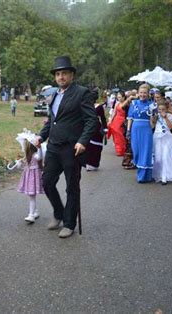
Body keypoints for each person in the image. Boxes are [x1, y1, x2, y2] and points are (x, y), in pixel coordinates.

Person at [35, 56, 97, 239]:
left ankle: (69, 223)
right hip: (53, 146)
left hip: (72, 148)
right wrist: (41, 136)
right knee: (46, 182)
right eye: (58, 74)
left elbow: (91, 120)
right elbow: (53, 120)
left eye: (64, 73)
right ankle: (59, 212)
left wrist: (83, 141)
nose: (61, 77)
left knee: (72, 187)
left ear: (72, 75)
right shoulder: (54, 95)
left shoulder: (82, 93)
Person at [12, 130, 44, 223]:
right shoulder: (27, 157)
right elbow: (22, 166)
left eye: (25, 145)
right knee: (31, 196)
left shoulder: (36, 155)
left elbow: (40, 157)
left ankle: (31, 215)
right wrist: (19, 163)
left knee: (31, 196)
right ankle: (35, 211)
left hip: (33, 178)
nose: (23, 147)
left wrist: (40, 148)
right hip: (29, 177)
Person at [126, 84, 155, 183]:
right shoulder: (133, 103)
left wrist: (153, 114)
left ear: (148, 94)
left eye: (145, 93)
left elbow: (153, 124)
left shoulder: (151, 105)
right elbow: (130, 118)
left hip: (146, 130)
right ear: (138, 93)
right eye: (141, 92)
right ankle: (142, 172)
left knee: (146, 151)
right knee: (137, 151)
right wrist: (128, 131)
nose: (143, 94)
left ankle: (144, 176)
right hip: (135, 129)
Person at [151, 101, 172, 185]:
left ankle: (164, 177)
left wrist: (165, 117)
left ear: (166, 109)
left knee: (165, 156)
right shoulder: (156, 116)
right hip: (157, 138)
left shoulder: (169, 116)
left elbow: (170, 127)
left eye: (163, 109)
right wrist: (154, 116)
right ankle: (158, 174)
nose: (161, 111)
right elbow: (152, 125)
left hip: (167, 138)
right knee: (158, 158)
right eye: (159, 109)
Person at [85, 91, 107, 171]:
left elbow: (103, 118)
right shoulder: (86, 106)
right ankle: (88, 163)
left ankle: (94, 164)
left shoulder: (99, 107)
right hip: (87, 127)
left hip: (97, 129)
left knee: (96, 147)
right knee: (88, 146)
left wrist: (105, 128)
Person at [108, 91, 130, 156]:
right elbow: (114, 113)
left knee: (120, 135)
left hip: (122, 120)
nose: (119, 98)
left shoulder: (126, 104)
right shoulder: (117, 103)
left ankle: (122, 149)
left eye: (120, 97)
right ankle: (118, 149)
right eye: (118, 97)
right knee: (115, 135)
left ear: (123, 97)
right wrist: (110, 120)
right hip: (116, 120)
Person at [122, 89, 137, 169]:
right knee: (129, 144)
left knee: (133, 144)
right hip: (128, 125)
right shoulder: (128, 104)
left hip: (136, 125)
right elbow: (122, 107)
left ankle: (134, 161)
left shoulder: (137, 104)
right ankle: (127, 161)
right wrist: (129, 99)